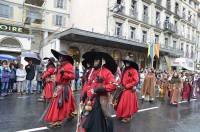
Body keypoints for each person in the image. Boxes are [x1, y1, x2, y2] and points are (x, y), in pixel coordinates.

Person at [80, 51, 117, 132]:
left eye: (97, 60)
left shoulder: (106, 72)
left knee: (95, 124)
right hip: (89, 101)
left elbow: (114, 84)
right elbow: (87, 85)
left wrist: (101, 88)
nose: (95, 62)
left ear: (101, 61)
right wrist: (83, 95)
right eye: (94, 60)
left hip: (99, 101)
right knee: (86, 122)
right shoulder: (91, 72)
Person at [44, 49, 76, 127]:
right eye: (59, 56)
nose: (60, 57)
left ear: (65, 57)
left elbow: (72, 76)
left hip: (64, 87)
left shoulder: (69, 65)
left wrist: (63, 73)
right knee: (64, 103)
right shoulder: (59, 65)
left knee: (59, 104)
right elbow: (56, 76)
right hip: (58, 87)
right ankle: (72, 112)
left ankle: (58, 121)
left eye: (61, 56)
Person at [116, 56, 139, 123]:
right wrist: (119, 84)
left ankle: (127, 117)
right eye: (126, 62)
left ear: (131, 63)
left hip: (129, 90)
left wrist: (127, 86)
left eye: (128, 62)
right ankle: (122, 115)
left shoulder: (134, 70)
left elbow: (136, 80)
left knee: (127, 104)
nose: (127, 64)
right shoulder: (124, 69)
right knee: (122, 103)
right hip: (123, 89)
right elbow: (122, 78)